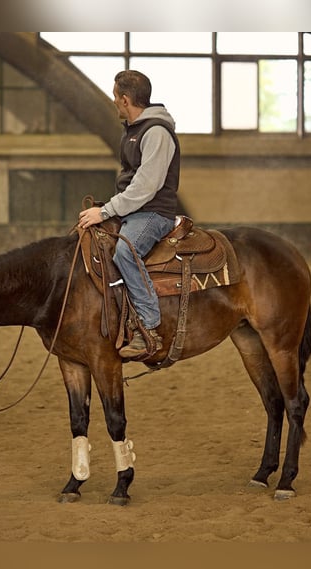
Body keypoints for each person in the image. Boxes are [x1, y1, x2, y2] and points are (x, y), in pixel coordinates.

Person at [78, 70, 180, 359]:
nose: (113, 102)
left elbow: (147, 186)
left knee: (125, 252)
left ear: (125, 99)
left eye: (114, 97)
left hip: (152, 213)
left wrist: (106, 210)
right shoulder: (135, 130)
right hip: (134, 210)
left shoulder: (156, 132)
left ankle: (149, 326)